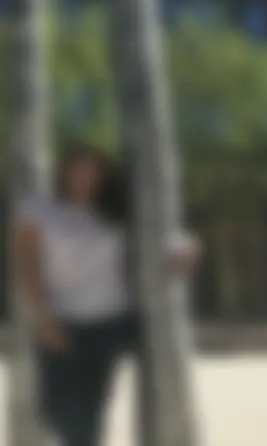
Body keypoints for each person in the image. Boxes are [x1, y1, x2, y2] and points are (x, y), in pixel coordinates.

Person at [11, 145, 200, 446]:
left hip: (110, 321)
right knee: (53, 409)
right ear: (64, 171)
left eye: (92, 170)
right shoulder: (38, 210)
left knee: (91, 410)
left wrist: (184, 249)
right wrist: (42, 316)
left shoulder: (117, 209)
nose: (84, 176)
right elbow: (26, 267)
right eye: (77, 168)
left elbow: (161, 244)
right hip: (60, 321)